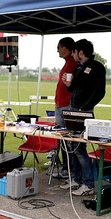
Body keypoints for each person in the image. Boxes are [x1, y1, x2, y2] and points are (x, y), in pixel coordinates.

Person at [60, 39, 106, 196]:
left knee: (80, 148)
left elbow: (100, 92)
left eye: (74, 51)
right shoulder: (79, 67)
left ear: (81, 52)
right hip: (74, 110)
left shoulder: (97, 67)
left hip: (84, 111)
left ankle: (88, 184)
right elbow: (74, 88)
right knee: (72, 145)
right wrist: (68, 84)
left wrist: (84, 108)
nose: (73, 54)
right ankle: (75, 179)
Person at [51, 37, 77, 178]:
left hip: (67, 105)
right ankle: (66, 169)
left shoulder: (73, 63)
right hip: (61, 104)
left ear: (65, 48)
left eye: (59, 48)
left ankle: (71, 171)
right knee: (63, 140)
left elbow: (70, 85)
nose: (58, 51)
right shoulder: (68, 63)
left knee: (69, 141)